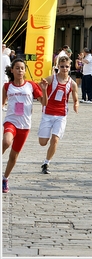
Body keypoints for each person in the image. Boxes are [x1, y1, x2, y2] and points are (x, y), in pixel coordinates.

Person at [2, 58, 48, 193]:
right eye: (17, 68)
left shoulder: (31, 85)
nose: (20, 70)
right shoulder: (7, 86)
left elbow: (44, 103)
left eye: (22, 68)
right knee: (6, 141)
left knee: (13, 156)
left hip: (25, 125)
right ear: (12, 70)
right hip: (11, 121)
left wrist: (44, 90)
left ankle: (5, 178)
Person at [38, 56, 79, 174]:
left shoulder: (72, 84)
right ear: (58, 67)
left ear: (70, 67)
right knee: (43, 142)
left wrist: (76, 104)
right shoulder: (51, 79)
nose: (64, 69)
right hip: (47, 113)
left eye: (67, 66)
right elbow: (39, 89)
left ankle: (46, 162)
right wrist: (43, 89)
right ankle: (46, 146)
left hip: (61, 114)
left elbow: (75, 98)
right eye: (62, 66)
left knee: (55, 139)